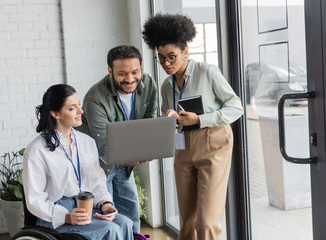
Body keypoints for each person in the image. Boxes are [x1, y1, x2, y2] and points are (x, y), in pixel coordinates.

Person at [142, 14, 244, 240]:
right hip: (183, 147)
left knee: (206, 221)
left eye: (172, 57)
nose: (166, 63)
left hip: (213, 144)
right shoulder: (166, 86)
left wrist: (200, 119)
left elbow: (236, 107)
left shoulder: (207, 72)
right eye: (161, 58)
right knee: (186, 220)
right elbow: (171, 117)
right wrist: (168, 116)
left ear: (185, 51)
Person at [23, 84, 134, 240]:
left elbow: (96, 183)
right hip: (56, 216)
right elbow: (35, 200)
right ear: (55, 113)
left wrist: (105, 204)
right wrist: (66, 217)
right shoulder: (36, 151)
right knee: (112, 230)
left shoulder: (87, 142)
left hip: (86, 208)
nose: (81, 111)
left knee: (125, 223)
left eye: (79, 105)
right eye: (72, 108)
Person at [77, 45, 158, 233]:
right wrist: (135, 155)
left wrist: (149, 148)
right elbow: (104, 145)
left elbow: (150, 122)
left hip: (125, 162)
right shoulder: (95, 98)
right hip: (98, 164)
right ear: (110, 71)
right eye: (122, 74)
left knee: (131, 213)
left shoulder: (148, 84)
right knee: (108, 217)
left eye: (135, 72)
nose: (130, 79)